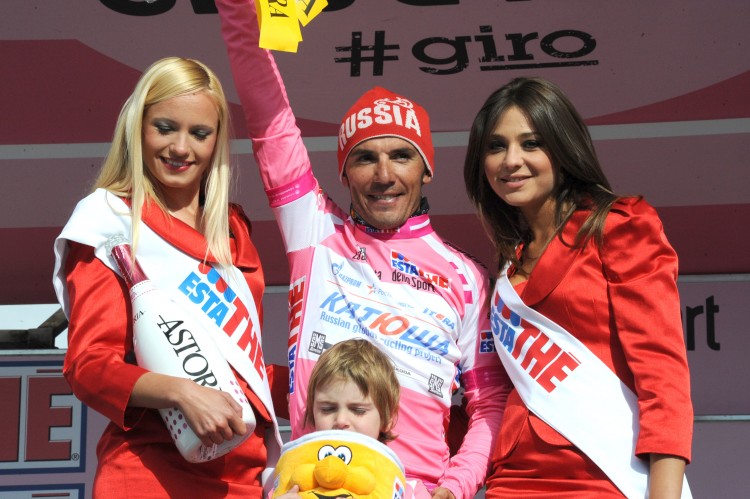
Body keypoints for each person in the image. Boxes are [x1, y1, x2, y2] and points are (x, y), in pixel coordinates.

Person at [215, 1, 511, 498]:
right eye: (366, 158)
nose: (384, 175)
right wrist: (239, 11)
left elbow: (490, 404)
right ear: (344, 172)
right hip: (311, 482)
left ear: (426, 169)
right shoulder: (316, 231)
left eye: (401, 155)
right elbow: (268, 118)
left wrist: (452, 490)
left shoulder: (467, 278)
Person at [52, 56, 285, 498]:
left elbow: (241, 371)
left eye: (200, 133)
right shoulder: (109, 220)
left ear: (217, 140)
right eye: (165, 128)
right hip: (150, 474)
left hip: (246, 477)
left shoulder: (233, 229)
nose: (181, 147)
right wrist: (182, 393)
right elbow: (90, 365)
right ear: (138, 128)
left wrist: (321, 380)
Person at [463, 76, 693, 498]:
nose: (511, 160)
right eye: (496, 146)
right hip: (513, 480)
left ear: (563, 147)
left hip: (602, 476)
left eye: (531, 144)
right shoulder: (509, 260)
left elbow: (663, 377)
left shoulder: (618, 226)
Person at [275, 338, 408, 498]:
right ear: (312, 413)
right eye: (327, 409)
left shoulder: (406, 487)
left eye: (358, 410)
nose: (341, 420)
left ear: (388, 419)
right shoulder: (291, 469)